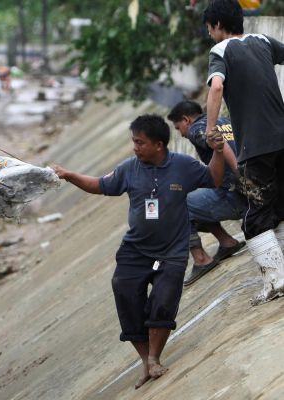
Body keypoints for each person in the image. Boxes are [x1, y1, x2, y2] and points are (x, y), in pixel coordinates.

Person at [53, 114, 225, 389]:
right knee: (125, 294)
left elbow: (214, 179)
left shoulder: (183, 166)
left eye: (139, 142)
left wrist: (218, 152)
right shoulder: (128, 169)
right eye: (134, 141)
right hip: (136, 251)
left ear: (158, 145)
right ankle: (145, 360)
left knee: (163, 301)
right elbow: (100, 185)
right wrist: (70, 175)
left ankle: (155, 357)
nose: (134, 147)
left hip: (172, 250)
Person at [203, 0, 284, 305]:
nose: (210, 35)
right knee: (280, 206)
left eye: (209, 29)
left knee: (256, 217)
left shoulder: (221, 52)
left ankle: (275, 282)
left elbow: (217, 87)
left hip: (256, 146)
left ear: (218, 26)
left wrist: (211, 129)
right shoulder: (262, 41)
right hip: (282, 136)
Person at [167, 100, 247, 286]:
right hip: (258, 188)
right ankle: (227, 242)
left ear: (186, 120)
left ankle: (201, 259)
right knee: (195, 193)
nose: (181, 133)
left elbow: (219, 145)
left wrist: (240, 175)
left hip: (240, 195)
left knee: (174, 204)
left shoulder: (197, 130)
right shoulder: (223, 121)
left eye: (178, 128)